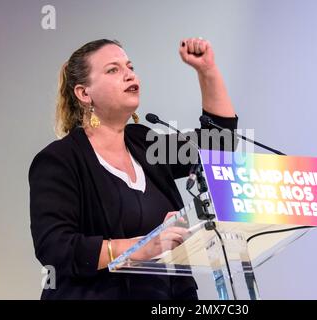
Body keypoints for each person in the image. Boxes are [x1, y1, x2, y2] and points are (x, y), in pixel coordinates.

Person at [29, 38, 238, 300]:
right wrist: (140, 247)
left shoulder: (143, 143)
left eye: (129, 66)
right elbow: (56, 248)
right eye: (113, 70)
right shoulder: (60, 160)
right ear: (84, 93)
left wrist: (207, 71)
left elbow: (218, 144)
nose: (129, 74)